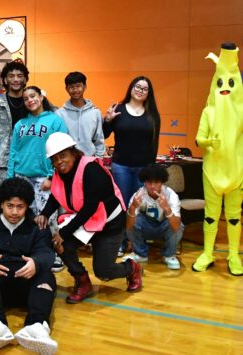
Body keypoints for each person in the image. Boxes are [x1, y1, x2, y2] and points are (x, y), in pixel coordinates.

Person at [36, 132, 143, 304]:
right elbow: (57, 194)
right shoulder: (59, 173)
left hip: (109, 223)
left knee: (103, 271)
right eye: (54, 159)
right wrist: (45, 213)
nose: (59, 162)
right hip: (89, 220)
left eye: (63, 156)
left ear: (73, 152)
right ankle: (82, 281)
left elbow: (90, 208)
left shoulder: (91, 170)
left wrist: (63, 231)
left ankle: (132, 268)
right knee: (60, 244)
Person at [0, 178, 57, 354]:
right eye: (10, 206)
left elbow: (46, 253)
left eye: (20, 207)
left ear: (27, 206)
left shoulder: (38, 225)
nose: (15, 212)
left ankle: (37, 326)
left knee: (47, 276)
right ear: (1, 204)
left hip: (27, 283)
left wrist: (36, 263)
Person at [192, 42, 243, 275]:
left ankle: (233, 255)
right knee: (211, 216)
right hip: (212, 170)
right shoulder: (208, 111)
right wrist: (209, 142)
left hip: (237, 171)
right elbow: (199, 138)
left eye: (231, 83)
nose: (225, 87)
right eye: (220, 82)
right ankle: (208, 252)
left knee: (233, 217)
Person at [102, 76, 161, 255]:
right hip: (121, 166)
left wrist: (151, 170)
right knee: (122, 205)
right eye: (138, 86)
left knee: (139, 206)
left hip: (143, 168)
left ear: (148, 93)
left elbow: (154, 143)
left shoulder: (152, 115)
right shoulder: (118, 109)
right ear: (131, 88)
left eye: (144, 88)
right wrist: (108, 120)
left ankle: (136, 242)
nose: (140, 90)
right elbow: (104, 135)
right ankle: (120, 242)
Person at [7, 85, 68, 215]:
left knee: (46, 218)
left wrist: (51, 177)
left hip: (44, 178)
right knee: (24, 218)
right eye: (25, 99)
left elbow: (63, 151)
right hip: (21, 177)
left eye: (33, 96)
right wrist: (10, 178)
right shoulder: (20, 124)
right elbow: (13, 152)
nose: (29, 100)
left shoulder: (55, 120)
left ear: (41, 97)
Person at [123, 164, 184, 269]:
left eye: (156, 182)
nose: (152, 186)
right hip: (146, 226)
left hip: (164, 226)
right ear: (144, 182)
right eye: (149, 182)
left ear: (162, 183)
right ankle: (140, 254)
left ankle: (169, 255)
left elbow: (176, 227)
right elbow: (128, 226)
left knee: (179, 226)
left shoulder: (171, 195)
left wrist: (167, 209)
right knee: (132, 218)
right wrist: (132, 207)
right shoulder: (138, 195)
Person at [0, 60, 30, 190]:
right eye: (11, 76)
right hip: (4, 160)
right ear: (5, 79)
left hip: (29, 158)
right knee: (2, 196)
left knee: (28, 197)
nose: (15, 80)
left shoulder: (32, 100)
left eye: (20, 76)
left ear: (25, 79)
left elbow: (53, 114)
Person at [56, 72, 105, 157]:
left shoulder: (95, 112)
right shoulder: (59, 114)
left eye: (78, 86)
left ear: (85, 86)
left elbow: (99, 140)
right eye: (71, 87)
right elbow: (58, 141)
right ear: (66, 89)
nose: (75, 90)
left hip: (90, 160)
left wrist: (98, 159)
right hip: (68, 162)